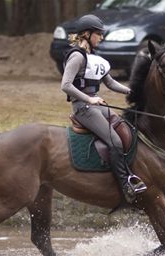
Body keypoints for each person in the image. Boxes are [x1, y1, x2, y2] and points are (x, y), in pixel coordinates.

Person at [61, 14, 147, 204]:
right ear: (86, 34)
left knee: (126, 128)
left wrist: (133, 91)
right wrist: (89, 99)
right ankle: (125, 184)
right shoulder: (76, 56)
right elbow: (66, 85)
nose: (101, 37)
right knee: (115, 141)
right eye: (98, 34)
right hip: (83, 108)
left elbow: (110, 82)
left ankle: (129, 173)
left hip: (95, 106)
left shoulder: (95, 58)